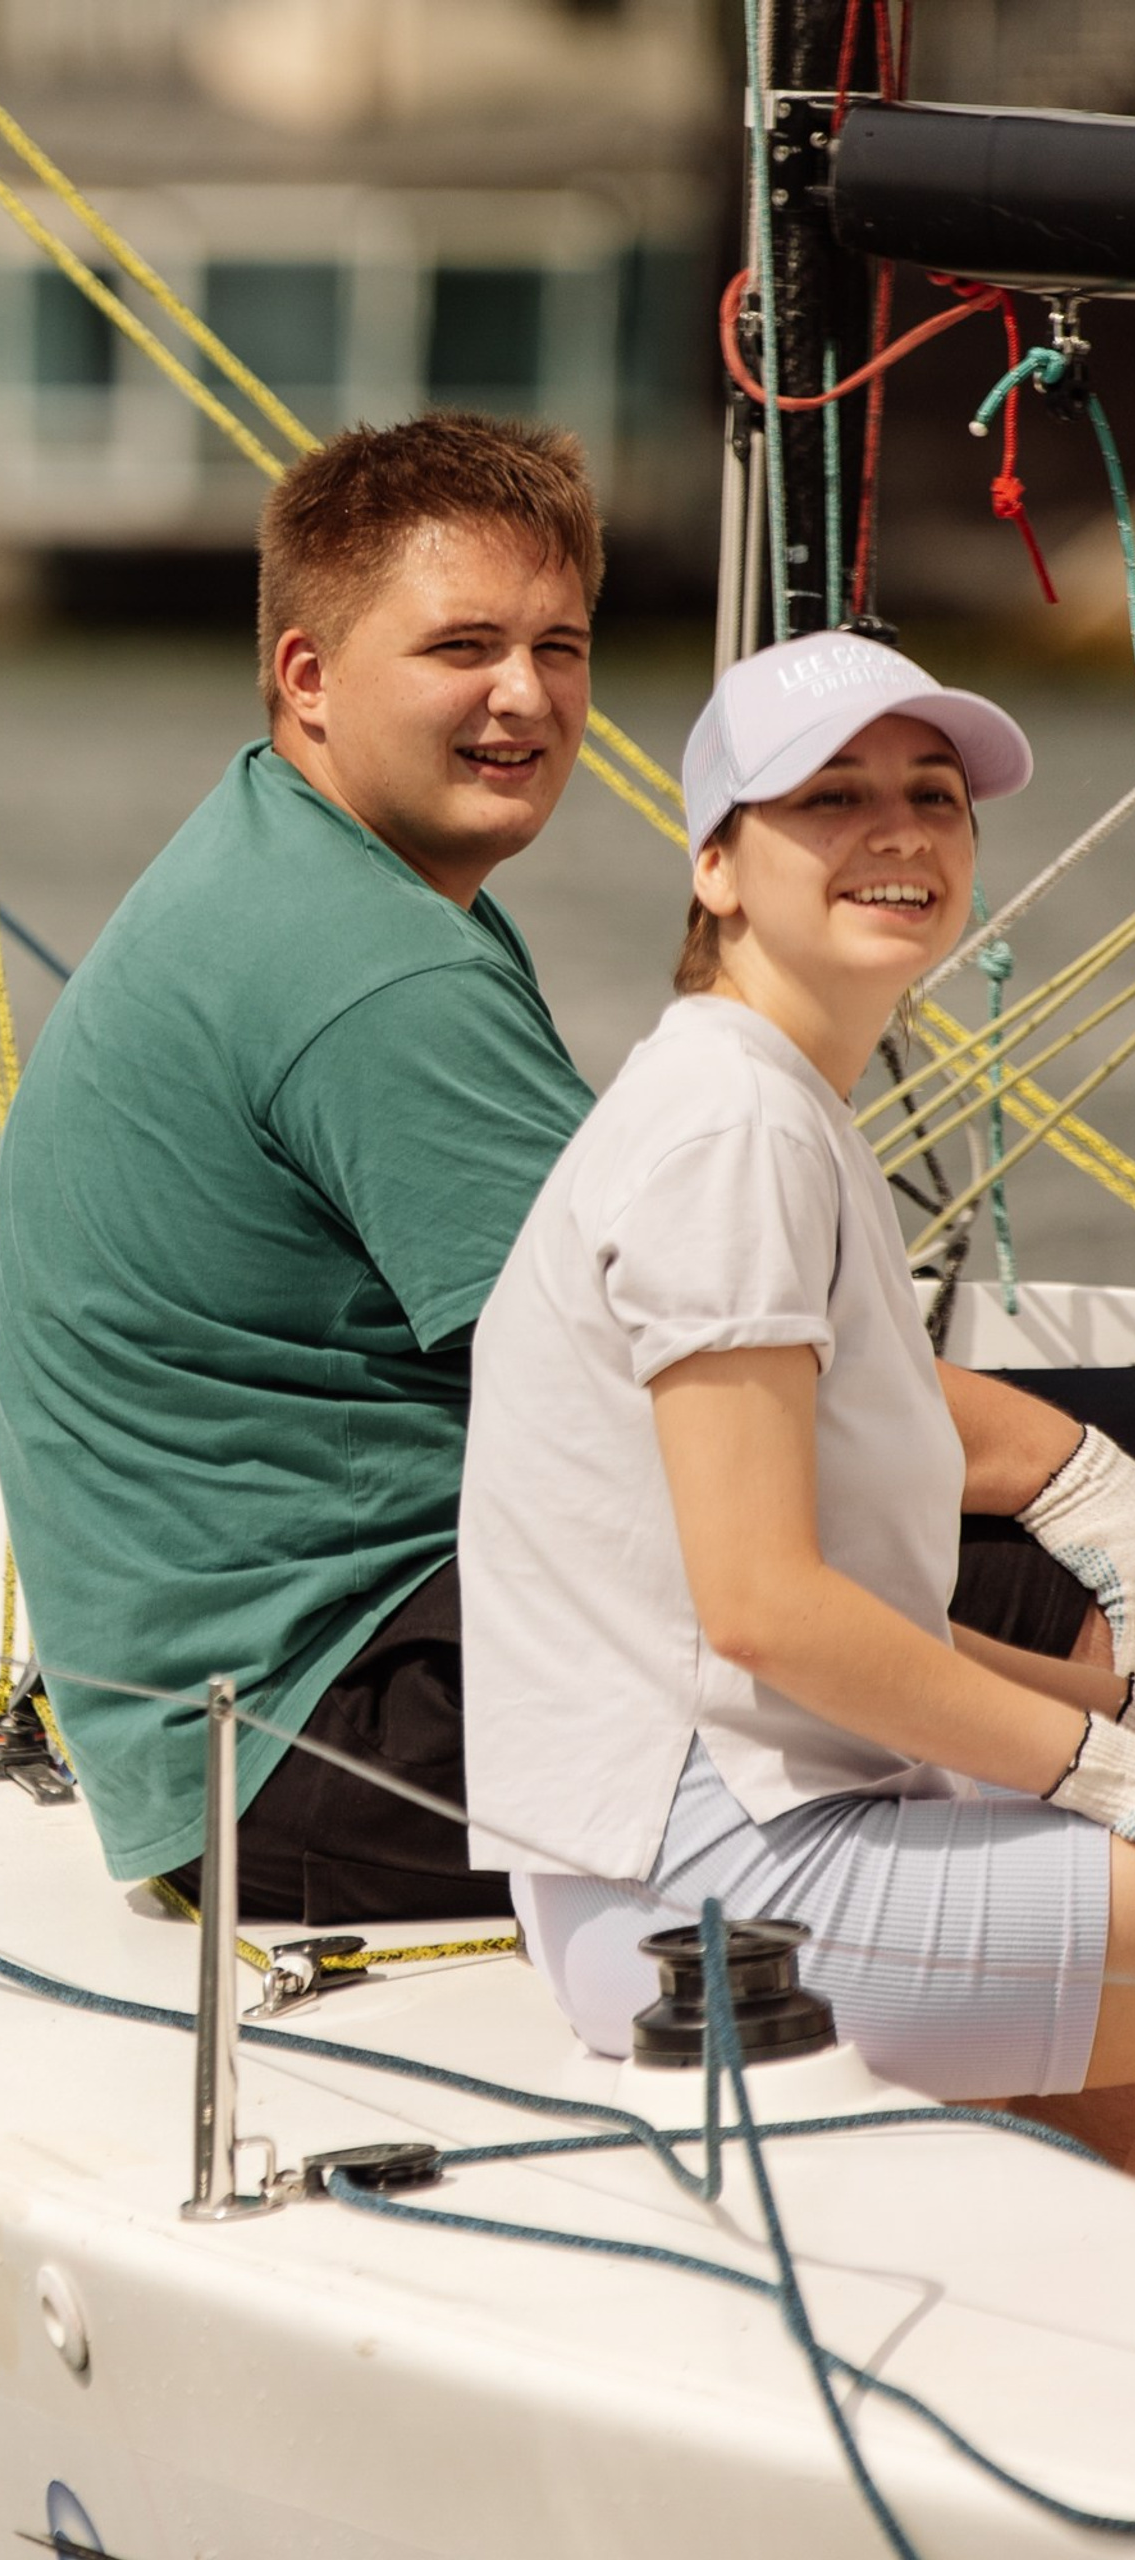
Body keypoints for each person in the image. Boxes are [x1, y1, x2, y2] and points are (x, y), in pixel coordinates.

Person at [0, 414, 1135, 1927]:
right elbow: (645, 1372)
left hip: (252, 1686)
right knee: (1023, 1540)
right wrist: (1081, 1477)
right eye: (462, 648)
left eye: (560, 647)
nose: (524, 695)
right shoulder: (376, 969)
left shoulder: (318, 862)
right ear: (307, 676)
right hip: (314, 1731)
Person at [460, 631, 1135, 2104]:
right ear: (716, 866)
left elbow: (858, 1629)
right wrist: (1104, 1777)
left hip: (717, 1856)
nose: (900, 830)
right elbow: (766, 1613)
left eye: (934, 794)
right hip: (719, 1896)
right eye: (831, 797)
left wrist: (1108, 1712)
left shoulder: (763, 1099)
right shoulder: (736, 1131)